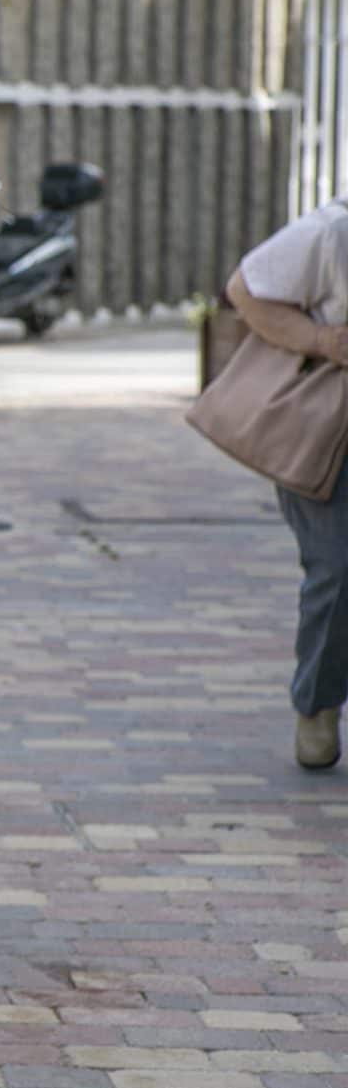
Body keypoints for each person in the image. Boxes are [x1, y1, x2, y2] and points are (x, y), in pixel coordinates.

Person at [225, 197, 348, 770]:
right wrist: (323, 342)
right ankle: (318, 706)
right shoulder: (333, 232)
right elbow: (245, 289)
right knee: (337, 567)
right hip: (333, 429)